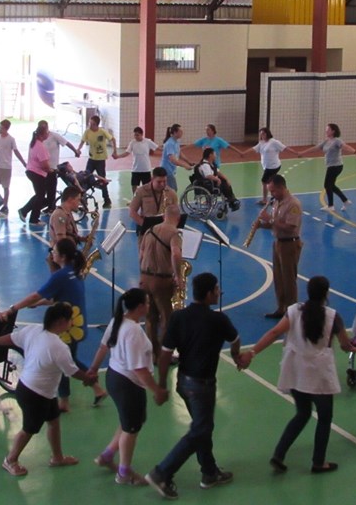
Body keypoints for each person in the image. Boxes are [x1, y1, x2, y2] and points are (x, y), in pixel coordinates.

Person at [244, 276, 356, 474]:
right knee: (325, 418)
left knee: (302, 413)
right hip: (320, 375)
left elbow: (274, 333)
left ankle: (279, 454)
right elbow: (345, 344)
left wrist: (252, 352)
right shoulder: (333, 316)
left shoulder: (294, 311)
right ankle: (319, 462)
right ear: (326, 294)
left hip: (296, 372)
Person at [145, 273, 243, 499]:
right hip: (203, 385)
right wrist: (237, 356)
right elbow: (235, 339)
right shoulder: (219, 320)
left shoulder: (179, 317)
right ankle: (162, 473)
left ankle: (209, 472)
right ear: (209, 294)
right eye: (216, 290)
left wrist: (161, 386)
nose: (218, 293)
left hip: (183, 382)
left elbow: (165, 354)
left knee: (203, 427)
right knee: (200, 430)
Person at [0, 301, 97, 477]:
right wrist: (88, 379)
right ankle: (10, 460)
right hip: (35, 394)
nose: (72, 323)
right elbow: (72, 371)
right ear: (61, 321)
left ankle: (57, 457)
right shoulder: (59, 347)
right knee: (29, 429)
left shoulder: (33, 330)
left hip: (35, 390)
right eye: (70, 320)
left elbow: (10, 338)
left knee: (54, 421)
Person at [8, 237, 108, 411]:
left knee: (63, 362)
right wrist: (38, 304)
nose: (51, 254)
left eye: (54, 251)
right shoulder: (73, 271)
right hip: (75, 323)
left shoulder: (61, 276)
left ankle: (68, 399)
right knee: (70, 360)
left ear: (62, 256)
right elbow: (57, 297)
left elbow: (36, 295)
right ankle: (91, 390)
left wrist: (13, 308)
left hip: (67, 327)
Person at [87, 287, 168, 486]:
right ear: (140, 307)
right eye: (148, 303)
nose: (150, 306)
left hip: (114, 377)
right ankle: (124, 472)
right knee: (131, 429)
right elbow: (139, 369)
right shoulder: (134, 332)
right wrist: (156, 390)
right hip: (128, 384)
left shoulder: (117, 321)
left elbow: (103, 346)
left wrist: (93, 370)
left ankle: (107, 455)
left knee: (129, 422)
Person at [138, 204, 183, 360]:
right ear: (177, 218)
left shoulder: (149, 231)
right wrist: (178, 276)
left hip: (144, 278)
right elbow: (176, 255)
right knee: (166, 317)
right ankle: (165, 354)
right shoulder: (174, 233)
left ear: (164, 216)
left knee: (150, 317)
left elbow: (141, 255)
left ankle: (152, 352)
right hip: (162, 280)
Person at [255, 174, 303, 319]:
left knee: (289, 280)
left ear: (282, 188)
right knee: (278, 278)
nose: (271, 194)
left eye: (273, 191)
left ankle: (292, 312)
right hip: (278, 242)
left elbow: (290, 227)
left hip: (290, 243)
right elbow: (275, 224)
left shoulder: (293, 204)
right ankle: (281, 308)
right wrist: (261, 225)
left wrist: (269, 219)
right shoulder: (277, 202)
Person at [299, 123, 356, 212]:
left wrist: (355, 152)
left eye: (328, 129)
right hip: (330, 166)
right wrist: (303, 153)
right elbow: (315, 148)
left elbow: (345, 147)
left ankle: (331, 205)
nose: (326, 131)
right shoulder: (326, 141)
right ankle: (345, 201)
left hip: (336, 166)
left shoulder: (337, 141)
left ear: (333, 131)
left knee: (327, 184)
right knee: (331, 185)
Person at [0, 119, 27, 216]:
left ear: (6, 129)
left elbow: (16, 151)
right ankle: (0, 198)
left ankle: (5, 206)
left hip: (6, 166)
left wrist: (24, 163)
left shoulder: (11, 139)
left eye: (1, 128)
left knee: (6, 187)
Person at [37, 120, 80, 214]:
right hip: (42, 168)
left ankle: (51, 207)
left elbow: (66, 143)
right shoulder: (38, 139)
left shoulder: (54, 136)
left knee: (51, 189)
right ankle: (45, 205)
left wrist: (75, 151)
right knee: (42, 189)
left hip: (52, 168)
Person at [245, 127, 297, 206]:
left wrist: (297, 153)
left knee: (264, 181)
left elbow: (285, 148)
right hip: (267, 166)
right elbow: (253, 148)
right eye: (261, 134)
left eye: (264, 133)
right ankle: (278, 197)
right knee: (273, 183)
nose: (262, 135)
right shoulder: (261, 143)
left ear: (267, 133)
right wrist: (243, 153)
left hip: (273, 166)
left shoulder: (274, 142)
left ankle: (265, 200)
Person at [18, 122, 54, 224]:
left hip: (32, 171)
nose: (48, 133)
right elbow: (44, 165)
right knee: (40, 196)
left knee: (40, 195)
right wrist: (50, 170)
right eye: (47, 132)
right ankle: (32, 217)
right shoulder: (40, 147)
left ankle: (25, 211)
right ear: (42, 135)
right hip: (36, 173)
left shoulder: (34, 143)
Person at [129, 167, 179, 240]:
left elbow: (176, 212)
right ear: (152, 179)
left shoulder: (171, 193)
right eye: (159, 182)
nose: (162, 184)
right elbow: (132, 212)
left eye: (164, 181)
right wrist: (144, 225)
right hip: (147, 231)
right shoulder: (141, 191)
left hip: (164, 231)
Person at [81, 114, 115, 207]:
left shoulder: (102, 132)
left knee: (102, 179)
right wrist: (78, 150)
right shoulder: (87, 131)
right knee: (85, 178)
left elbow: (113, 139)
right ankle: (83, 200)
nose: (90, 125)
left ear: (96, 125)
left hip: (100, 160)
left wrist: (115, 151)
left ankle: (107, 199)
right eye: (89, 123)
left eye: (92, 124)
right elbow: (82, 141)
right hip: (91, 159)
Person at [114, 126, 159, 194]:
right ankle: (135, 197)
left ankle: (147, 198)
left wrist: (167, 150)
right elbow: (127, 153)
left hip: (145, 169)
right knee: (134, 185)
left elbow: (157, 148)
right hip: (136, 169)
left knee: (147, 186)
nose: (135, 136)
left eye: (137, 135)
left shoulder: (148, 141)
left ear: (141, 134)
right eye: (135, 135)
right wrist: (118, 156)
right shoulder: (132, 143)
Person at [160, 123, 193, 192]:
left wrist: (188, 161)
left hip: (171, 170)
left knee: (169, 189)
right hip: (167, 170)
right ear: (175, 132)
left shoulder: (177, 141)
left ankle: (165, 201)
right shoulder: (170, 143)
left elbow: (180, 153)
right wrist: (185, 165)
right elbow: (172, 159)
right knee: (173, 190)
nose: (182, 133)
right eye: (180, 131)